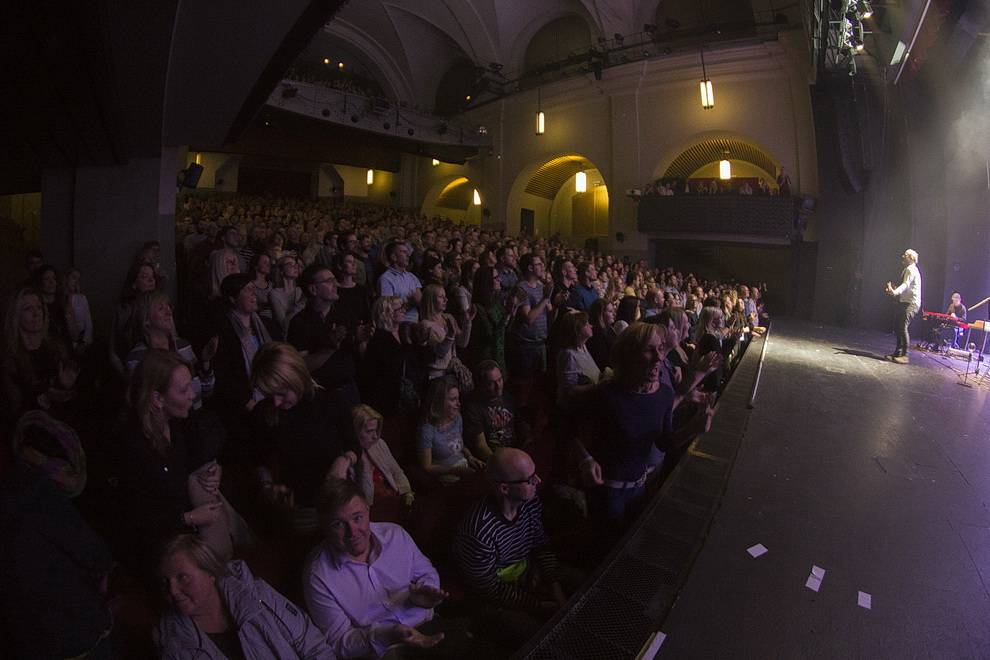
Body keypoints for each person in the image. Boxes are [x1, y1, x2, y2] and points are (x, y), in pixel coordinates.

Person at [574, 323, 716, 546]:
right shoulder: (606, 394)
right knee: (607, 547)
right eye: (649, 350)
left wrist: (693, 429)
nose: (659, 357)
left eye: (660, 348)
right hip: (607, 493)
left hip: (640, 489)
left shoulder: (664, 394)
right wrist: (585, 458)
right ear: (629, 357)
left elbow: (664, 442)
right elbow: (571, 429)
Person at [305, 478, 474, 658]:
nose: (353, 532)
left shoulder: (394, 534)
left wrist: (424, 597)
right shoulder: (317, 575)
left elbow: (427, 572)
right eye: (338, 524)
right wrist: (387, 634)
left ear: (368, 510)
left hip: (429, 624)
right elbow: (340, 642)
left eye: (357, 518)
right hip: (384, 650)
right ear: (325, 528)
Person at [0, 411, 116, 660]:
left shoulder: (17, 489)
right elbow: (91, 552)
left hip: (28, 636)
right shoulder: (36, 493)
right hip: (70, 630)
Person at [453, 448, 573, 649]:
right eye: (530, 479)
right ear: (505, 488)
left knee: (582, 584)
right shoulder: (478, 531)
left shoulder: (530, 501)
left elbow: (540, 544)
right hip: (492, 598)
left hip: (526, 575)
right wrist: (541, 606)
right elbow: (490, 588)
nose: (538, 481)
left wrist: (556, 589)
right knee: (541, 638)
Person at [157, 534, 335, 659]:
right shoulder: (174, 645)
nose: (172, 590)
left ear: (210, 573)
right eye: (165, 582)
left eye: (182, 577)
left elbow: (313, 645)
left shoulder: (258, 594)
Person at [250, 341, 356, 534]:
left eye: (281, 393)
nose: (276, 402)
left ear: (296, 377)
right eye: (269, 395)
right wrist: (267, 486)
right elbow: (258, 459)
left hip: (338, 503)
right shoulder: (263, 413)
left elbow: (354, 445)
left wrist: (344, 460)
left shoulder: (331, 401)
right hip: (299, 510)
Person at [126, 291, 216, 411]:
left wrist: (205, 362)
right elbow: (144, 403)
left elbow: (206, 390)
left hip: (195, 416)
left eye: (169, 306)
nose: (169, 312)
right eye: (161, 308)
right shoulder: (138, 357)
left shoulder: (183, 346)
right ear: (146, 319)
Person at [1, 287, 78, 427]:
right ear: (16, 315)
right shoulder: (10, 360)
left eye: (39, 307)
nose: (36, 314)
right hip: (31, 429)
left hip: (63, 424)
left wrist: (65, 386)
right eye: (27, 309)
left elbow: (70, 397)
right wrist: (41, 398)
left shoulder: (57, 348)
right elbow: (12, 410)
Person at [288, 264, 361, 406]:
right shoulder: (299, 322)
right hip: (320, 394)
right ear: (313, 289)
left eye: (334, 280)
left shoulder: (345, 313)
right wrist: (330, 347)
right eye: (329, 281)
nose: (336, 284)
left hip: (348, 388)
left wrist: (360, 339)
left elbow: (355, 351)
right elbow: (302, 366)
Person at [345, 404, 415, 523]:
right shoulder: (348, 459)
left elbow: (397, 472)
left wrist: (407, 492)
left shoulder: (379, 444)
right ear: (354, 431)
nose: (375, 436)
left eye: (376, 430)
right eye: (369, 431)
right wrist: (364, 467)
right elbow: (366, 499)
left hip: (393, 498)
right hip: (371, 510)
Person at [417, 376, 485, 480]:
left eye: (458, 398)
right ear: (439, 401)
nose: (458, 403)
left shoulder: (457, 418)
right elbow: (427, 467)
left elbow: (460, 446)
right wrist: (454, 471)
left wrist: (470, 457)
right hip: (445, 475)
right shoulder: (427, 430)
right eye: (453, 399)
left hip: (464, 467)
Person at [464, 361, 529, 462]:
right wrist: (498, 464)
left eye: (500, 380)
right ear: (481, 385)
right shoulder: (473, 407)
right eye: (491, 383)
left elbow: (521, 426)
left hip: (514, 454)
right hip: (494, 458)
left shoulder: (507, 398)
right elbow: (480, 445)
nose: (498, 386)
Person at [507, 253, 553, 390]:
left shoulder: (541, 286)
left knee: (540, 386)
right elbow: (529, 318)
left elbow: (549, 311)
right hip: (526, 346)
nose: (542, 266)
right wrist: (545, 298)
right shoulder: (522, 288)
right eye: (539, 264)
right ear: (530, 268)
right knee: (525, 386)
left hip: (540, 343)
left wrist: (554, 302)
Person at [885, 248, 922, 364]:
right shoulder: (910, 269)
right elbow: (907, 287)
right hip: (906, 302)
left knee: (902, 327)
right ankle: (897, 354)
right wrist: (895, 290)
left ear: (911, 258)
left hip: (911, 303)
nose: (903, 256)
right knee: (898, 327)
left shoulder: (911, 269)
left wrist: (894, 292)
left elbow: (906, 285)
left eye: (905, 255)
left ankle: (905, 356)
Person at [379, 241, 423, 323]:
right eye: (403, 252)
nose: (408, 255)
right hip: (398, 323)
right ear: (394, 257)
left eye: (407, 252)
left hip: (416, 322)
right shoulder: (386, 279)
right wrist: (410, 303)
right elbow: (387, 308)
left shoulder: (412, 277)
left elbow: (420, 301)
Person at [270, 255, 306, 340]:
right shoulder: (274, 294)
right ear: (281, 271)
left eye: (295, 264)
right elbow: (284, 325)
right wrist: (301, 302)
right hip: (287, 338)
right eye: (290, 264)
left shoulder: (300, 290)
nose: (295, 267)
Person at [63, 267, 94, 356]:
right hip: (66, 343)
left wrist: (84, 343)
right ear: (66, 278)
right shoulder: (60, 298)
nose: (76, 282)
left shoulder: (82, 298)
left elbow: (88, 321)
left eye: (78, 279)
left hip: (81, 340)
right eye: (74, 277)